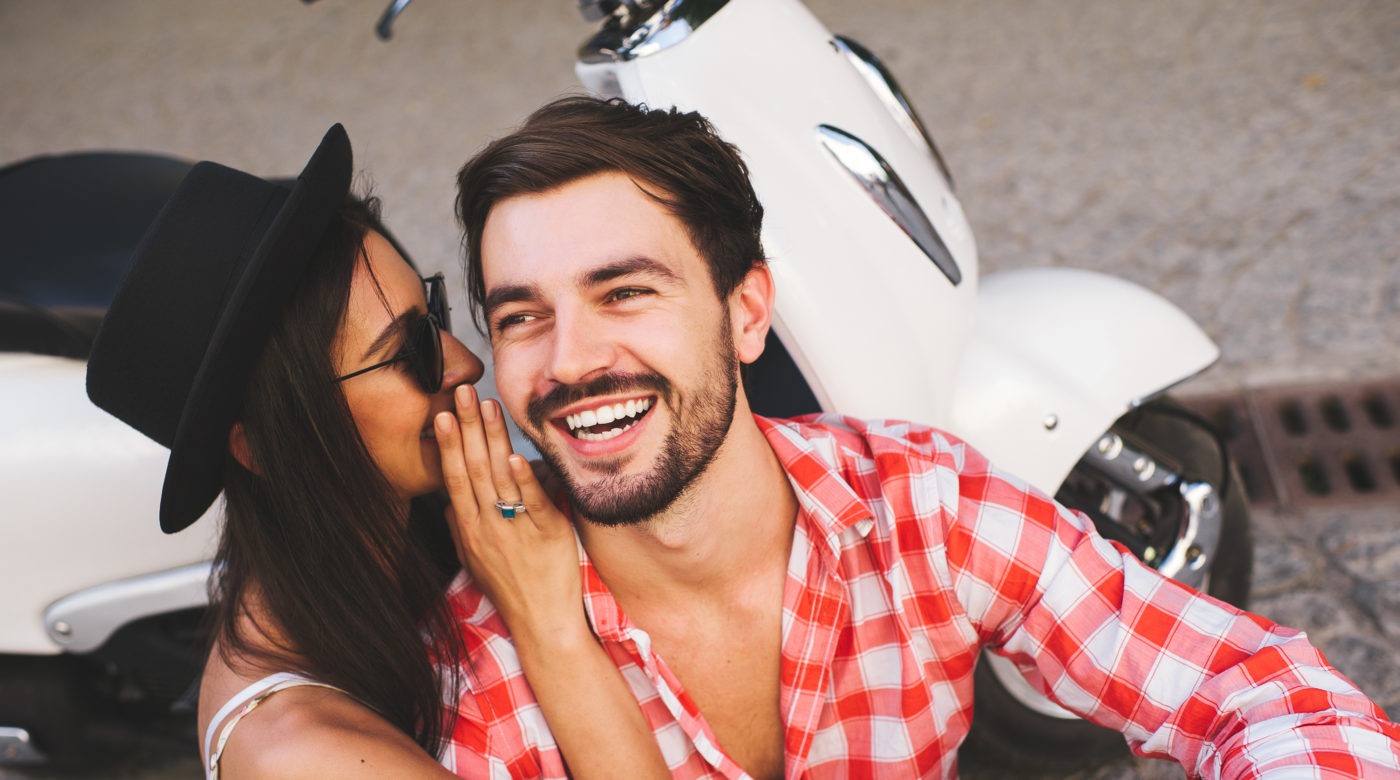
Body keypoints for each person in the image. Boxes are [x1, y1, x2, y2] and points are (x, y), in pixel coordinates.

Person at [446, 95, 1400, 778]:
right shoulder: (487, 661)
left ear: (747, 315)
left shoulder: (916, 501)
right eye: (522, 316)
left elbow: (1249, 683)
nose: (569, 362)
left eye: (624, 292)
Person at [85, 125, 668, 779]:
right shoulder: (300, 754)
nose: (465, 364)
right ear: (265, 447)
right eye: (407, 353)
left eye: (434, 318)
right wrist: (550, 624)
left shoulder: (420, 531)